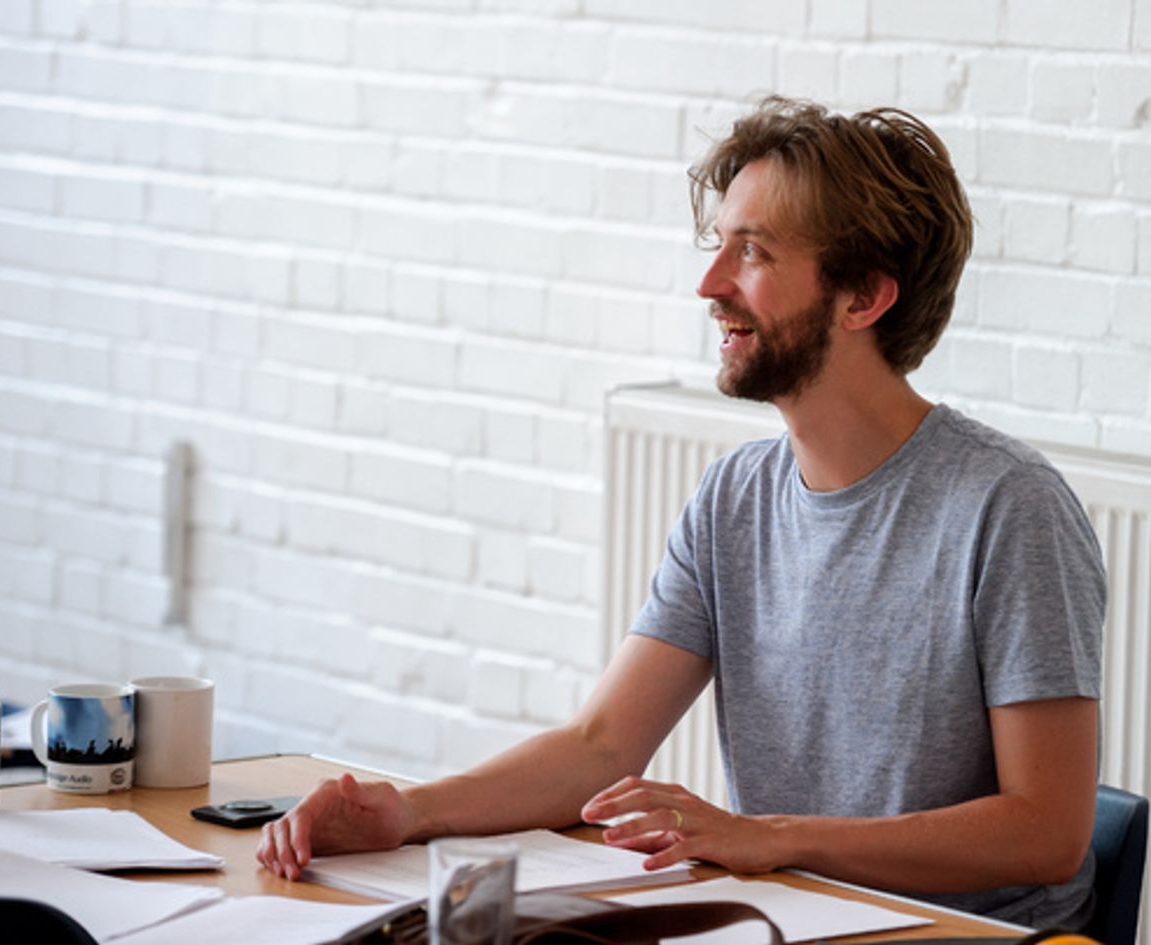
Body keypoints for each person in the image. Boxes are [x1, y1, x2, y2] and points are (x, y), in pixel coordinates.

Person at [257, 96, 1105, 929]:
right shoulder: (734, 497)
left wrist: (765, 837)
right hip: (792, 919)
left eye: (754, 252)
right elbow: (599, 746)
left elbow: (1046, 833)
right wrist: (409, 812)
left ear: (862, 299)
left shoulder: (1009, 508)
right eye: (719, 246)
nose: (710, 284)